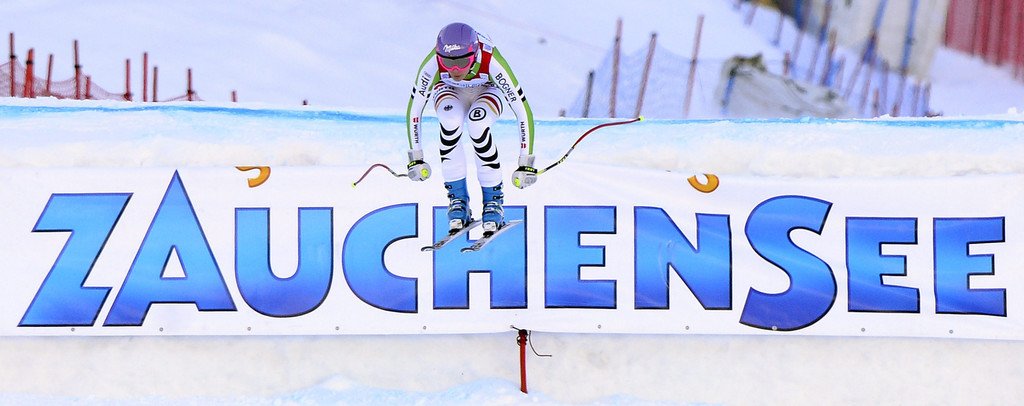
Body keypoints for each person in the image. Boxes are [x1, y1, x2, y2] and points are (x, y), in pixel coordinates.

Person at [405, 22, 537, 236]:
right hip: (450, 91)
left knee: (478, 125)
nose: (455, 70)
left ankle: (493, 202)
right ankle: (458, 201)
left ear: (475, 54)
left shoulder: (491, 60)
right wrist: (416, 157)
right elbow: (414, 109)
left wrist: (526, 162)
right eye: (447, 62)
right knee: (450, 121)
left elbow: (522, 110)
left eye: (462, 62)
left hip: (486, 90)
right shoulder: (432, 63)